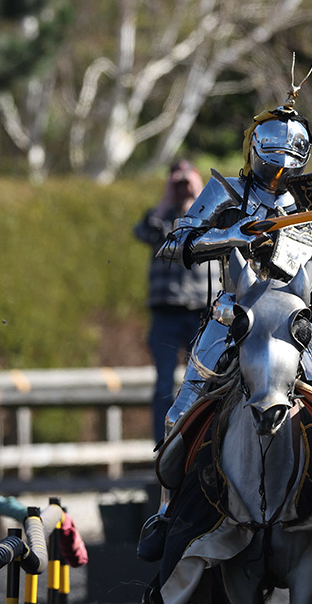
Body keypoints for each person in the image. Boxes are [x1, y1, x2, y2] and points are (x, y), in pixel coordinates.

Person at [141, 79, 312, 579]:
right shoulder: (226, 191)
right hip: (236, 315)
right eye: (271, 155)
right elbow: (175, 243)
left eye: (289, 158)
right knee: (180, 411)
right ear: (253, 150)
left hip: (296, 319)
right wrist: (230, 232)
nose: (279, 168)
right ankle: (169, 511)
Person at [133, 160, 214, 446]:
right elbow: (143, 233)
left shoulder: (211, 214)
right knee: (164, 387)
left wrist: (202, 193)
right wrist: (167, 199)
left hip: (203, 315)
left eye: (186, 182)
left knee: (207, 384)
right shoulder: (160, 218)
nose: (182, 189)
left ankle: (203, 446)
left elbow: (229, 228)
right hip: (166, 313)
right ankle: (163, 448)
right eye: (176, 183)